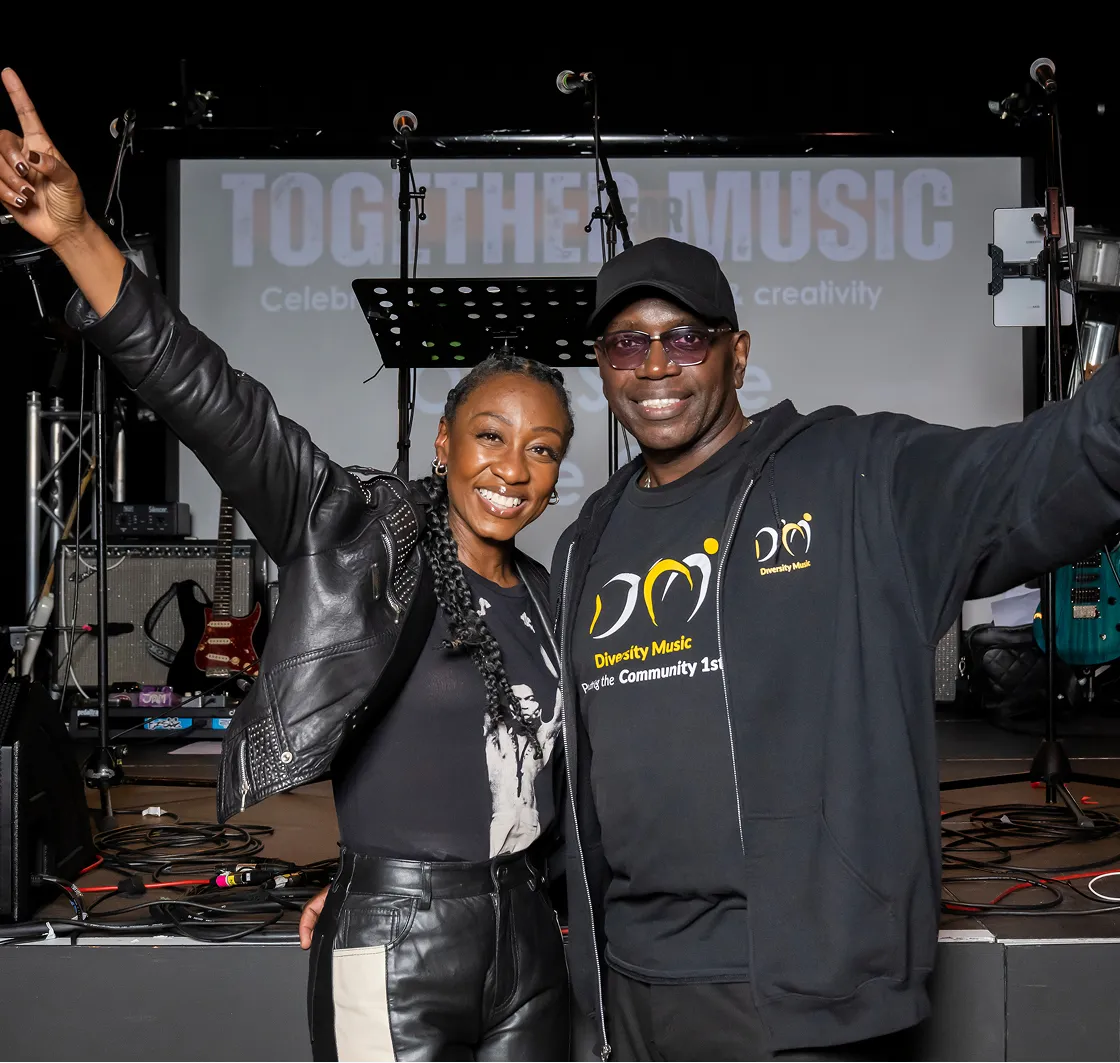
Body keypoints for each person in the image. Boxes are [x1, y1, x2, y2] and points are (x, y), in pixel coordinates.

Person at [0, 68, 572, 1063]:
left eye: (543, 448)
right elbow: (216, 402)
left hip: (529, 938)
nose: (512, 468)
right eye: (490, 435)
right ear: (444, 442)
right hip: (394, 939)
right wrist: (81, 236)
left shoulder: (551, 599)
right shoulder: (359, 535)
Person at [553, 235, 1120, 1062]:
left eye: (685, 338)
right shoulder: (586, 540)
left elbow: (1042, 467)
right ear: (603, 368)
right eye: (626, 344)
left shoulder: (854, 476)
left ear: (737, 352)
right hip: (628, 988)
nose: (656, 365)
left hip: (799, 996)